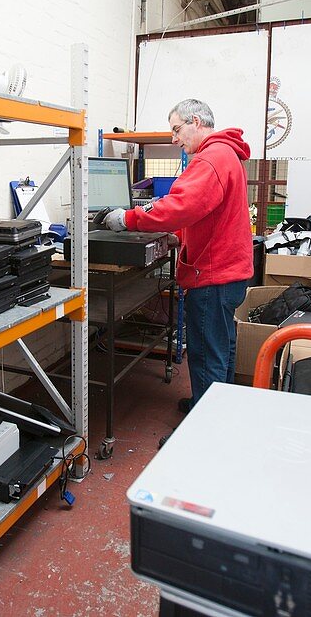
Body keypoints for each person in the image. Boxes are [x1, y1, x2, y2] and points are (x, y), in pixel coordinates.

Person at [96, 98, 253, 414]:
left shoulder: (211, 159)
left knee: (206, 352)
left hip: (214, 276)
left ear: (196, 121)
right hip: (228, 271)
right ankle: (211, 408)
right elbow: (205, 214)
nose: (174, 139)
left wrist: (128, 217)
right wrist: (177, 237)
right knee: (220, 347)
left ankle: (204, 429)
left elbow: (180, 205)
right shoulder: (225, 154)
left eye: (176, 129)